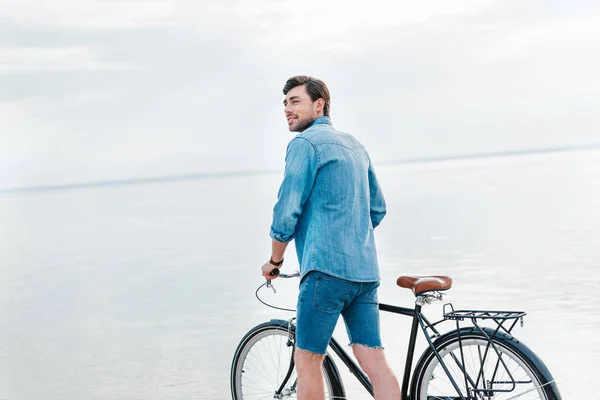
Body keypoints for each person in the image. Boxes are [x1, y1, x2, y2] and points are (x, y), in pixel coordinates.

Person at [261, 76, 401, 400]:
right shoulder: (355, 145)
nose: (287, 109)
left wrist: (275, 261)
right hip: (365, 272)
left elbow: (286, 211)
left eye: (295, 101)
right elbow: (377, 209)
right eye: (285, 103)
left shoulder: (304, 145)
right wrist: (350, 234)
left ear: (319, 104)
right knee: (374, 360)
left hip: (325, 272)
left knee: (308, 360)